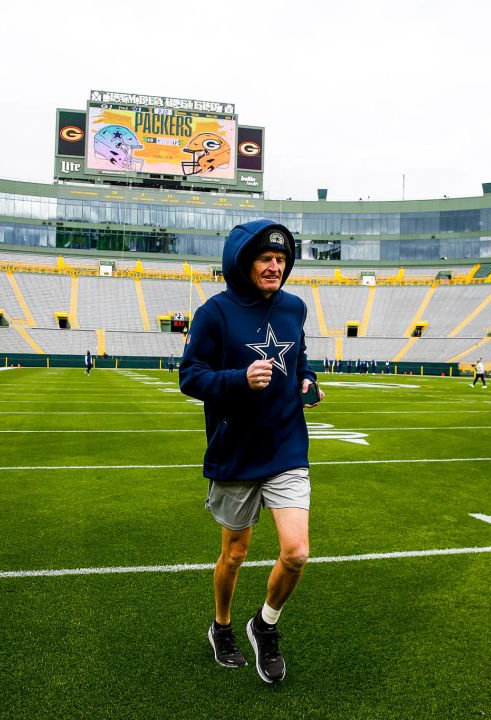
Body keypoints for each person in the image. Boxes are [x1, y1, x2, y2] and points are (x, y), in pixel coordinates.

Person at [179, 220, 322, 685]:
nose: (275, 267)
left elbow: (299, 357)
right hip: (236, 450)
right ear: (245, 263)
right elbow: (190, 377)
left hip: (286, 445)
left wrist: (308, 382)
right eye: (265, 259)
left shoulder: (295, 308)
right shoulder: (214, 313)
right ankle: (221, 627)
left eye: (281, 260)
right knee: (235, 554)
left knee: (297, 552)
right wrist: (238, 379)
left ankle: (265, 625)